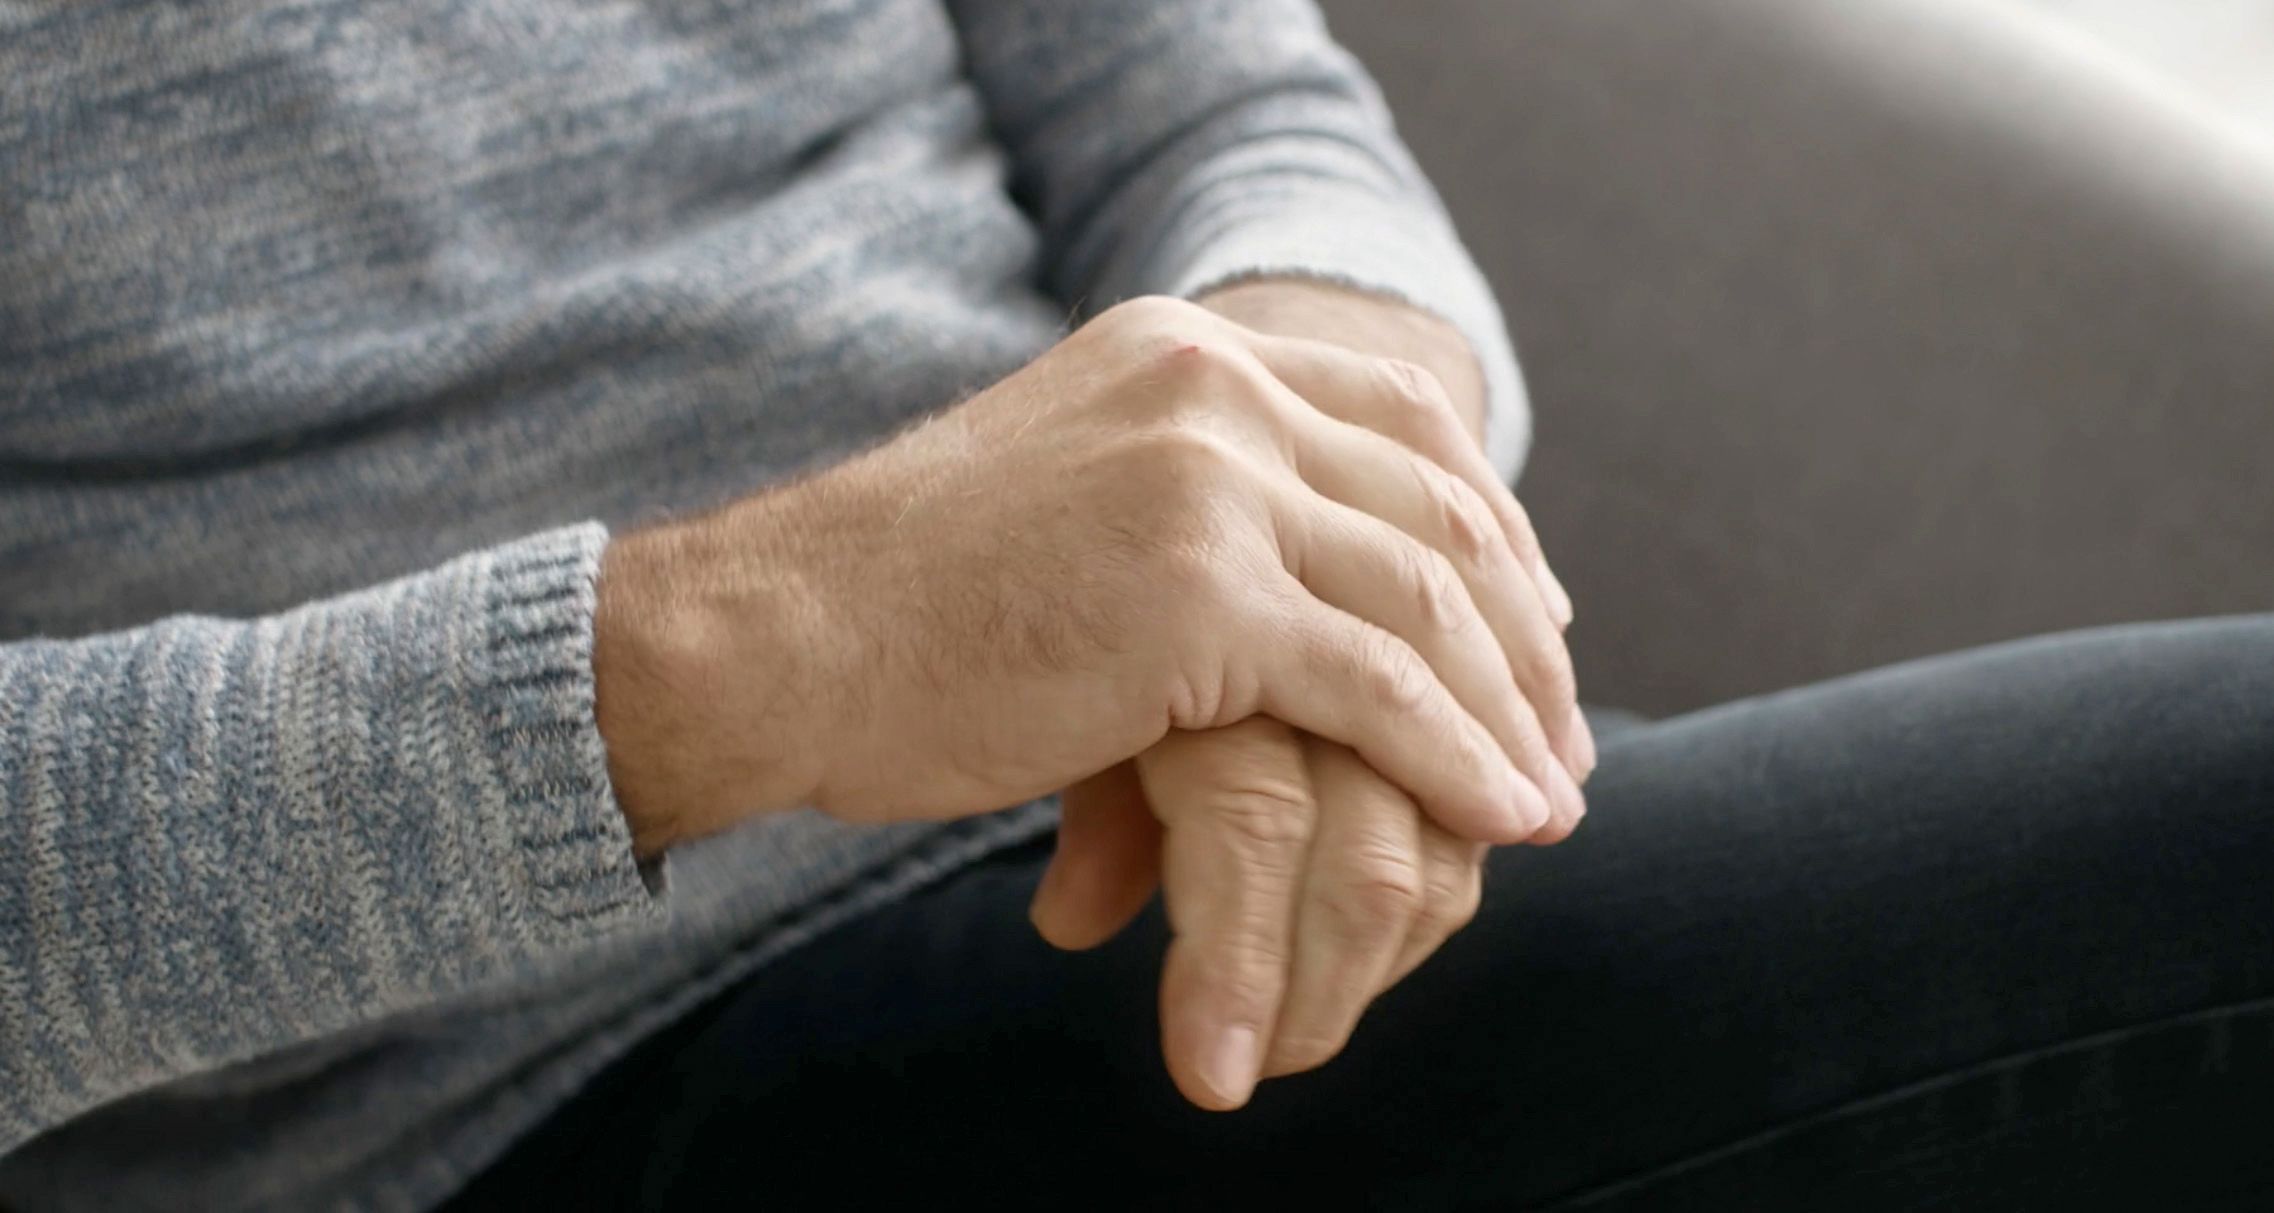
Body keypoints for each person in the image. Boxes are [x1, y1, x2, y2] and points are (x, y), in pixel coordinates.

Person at [3, 1, 2270, 1210]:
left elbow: (1220, 103)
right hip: (505, 1098)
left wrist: (1292, 480)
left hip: (1148, 847)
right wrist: (767, 648)